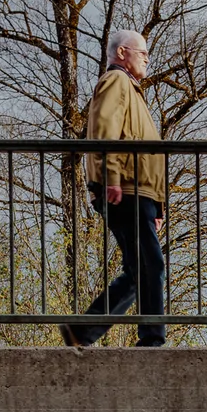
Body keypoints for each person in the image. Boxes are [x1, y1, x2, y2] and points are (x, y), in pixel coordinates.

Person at [67, 28, 167, 349]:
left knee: (140, 271)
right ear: (122, 53)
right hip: (125, 189)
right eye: (142, 53)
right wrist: (110, 177)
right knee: (150, 266)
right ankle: (152, 340)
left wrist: (160, 207)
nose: (147, 59)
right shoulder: (116, 82)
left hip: (142, 194)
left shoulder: (134, 90)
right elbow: (104, 129)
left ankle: (81, 331)